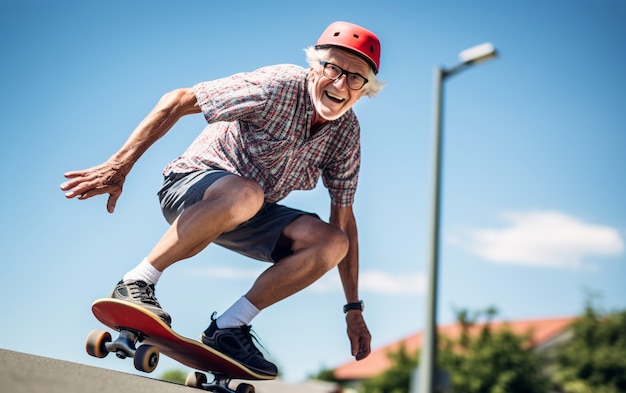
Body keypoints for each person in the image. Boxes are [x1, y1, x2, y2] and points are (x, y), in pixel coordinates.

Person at [60, 21, 385, 377]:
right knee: (247, 192)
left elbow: (344, 219)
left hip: (251, 213)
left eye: (354, 78)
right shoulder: (277, 86)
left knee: (331, 241)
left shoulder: (346, 133)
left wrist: (353, 308)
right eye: (333, 69)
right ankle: (136, 282)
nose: (340, 85)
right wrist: (119, 165)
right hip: (191, 187)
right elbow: (179, 100)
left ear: (365, 90)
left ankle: (229, 329)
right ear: (314, 67)